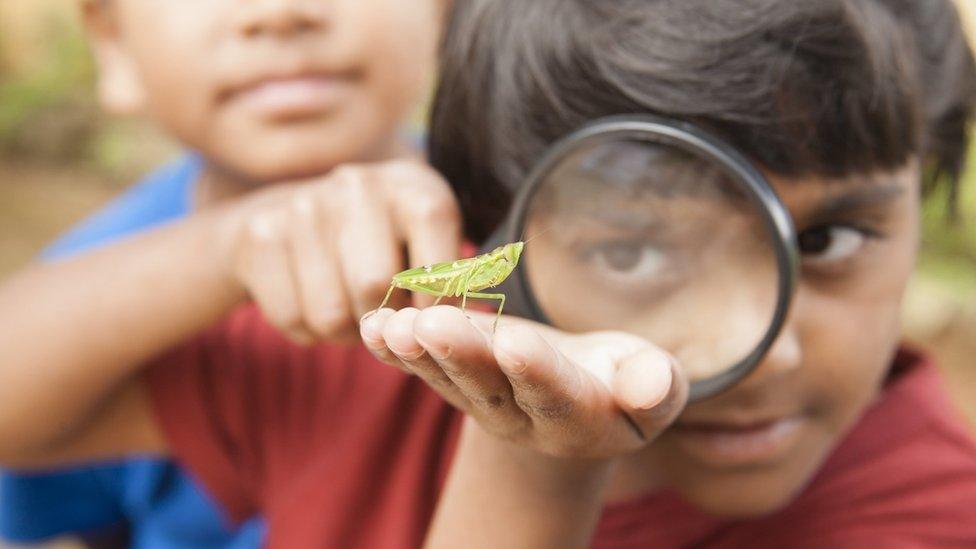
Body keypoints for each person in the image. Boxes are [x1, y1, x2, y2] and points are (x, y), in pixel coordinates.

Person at [0, 0, 975, 547]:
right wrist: (234, 240)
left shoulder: (923, 512)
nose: (773, 349)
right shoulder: (375, 353)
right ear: (489, 228)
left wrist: (540, 459)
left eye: (829, 242)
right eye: (633, 250)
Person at [0, 0, 443, 547]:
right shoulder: (75, 298)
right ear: (112, 43)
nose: (277, 13)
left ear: (444, 14)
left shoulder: (539, 213)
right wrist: (229, 250)